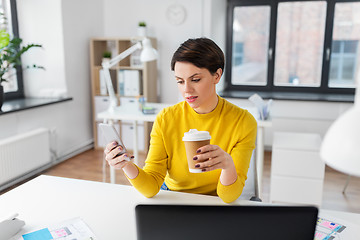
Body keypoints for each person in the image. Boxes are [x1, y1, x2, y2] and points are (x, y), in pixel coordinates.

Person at [104, 37, 257, 203]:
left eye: (195, 79)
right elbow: (151, 187)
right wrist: (125, 164)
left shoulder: (243, 121)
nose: (187, 90)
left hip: (215, 202)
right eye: (180, 81)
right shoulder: (166, 118)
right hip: (174, 198)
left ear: (217, 75)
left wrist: (227, 165)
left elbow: (228, 196)